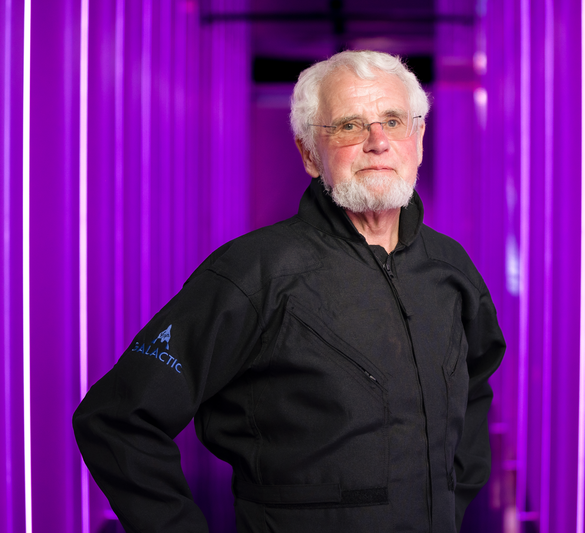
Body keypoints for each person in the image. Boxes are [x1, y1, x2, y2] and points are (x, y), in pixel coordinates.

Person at [74, 50, 505, 533]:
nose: (377, 142)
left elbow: (474, 390)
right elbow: (117, 418)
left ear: (418, 139)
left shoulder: (451, 269)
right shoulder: (254, 274)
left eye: (392, 120)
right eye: (348, 125)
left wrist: (449, 504)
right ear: (307, 154)